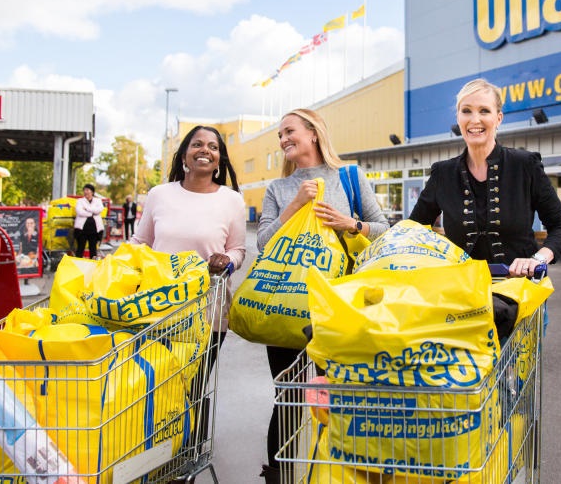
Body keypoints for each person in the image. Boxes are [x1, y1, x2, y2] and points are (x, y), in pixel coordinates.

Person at [255, 108, 389, 484]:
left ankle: (336, 473)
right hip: (287, 308)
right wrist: (295, 206)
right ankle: (278, 476)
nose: (283, 140)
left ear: (313, 133)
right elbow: (264, 245)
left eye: (289, 131)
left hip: (339, 307)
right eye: (279, 135)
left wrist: (351, 224)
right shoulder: (278, 189)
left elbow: (383, 230)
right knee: (290, 397)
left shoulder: (348, 177)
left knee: (338, 396)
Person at [409, 78, 561, 276]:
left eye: (484, 111)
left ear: (499, 118)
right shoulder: (442, 174)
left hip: (518, 288)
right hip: (460, 291)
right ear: (458, 118)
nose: (474, 120)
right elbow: (413, 230)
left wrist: (537, 259)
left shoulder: (524, 165)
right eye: (466, 110)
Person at [131, 125, 247, 342]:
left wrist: (226, 260)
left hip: (207, 311)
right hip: (156, 309)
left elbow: (238, 250)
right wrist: (112, 262)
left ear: (219, 160)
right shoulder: (159, 194)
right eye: (197, 144)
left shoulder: (232, 200)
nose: (205, 150)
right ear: (184, 156)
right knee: (156, 376)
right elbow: (140, 242)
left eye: (213, 147)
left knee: (197, 378)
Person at [73, 184, 104, 258]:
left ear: (92, 192)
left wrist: (87, 209)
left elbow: (99, 210)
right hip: (82, 229)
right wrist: (92, 213)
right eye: (84, 190)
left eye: (87, 190)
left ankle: (93, 264)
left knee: (93, 248)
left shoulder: (98, 201)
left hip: (94, 229)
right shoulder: (80, 201)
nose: (85, 192)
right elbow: (79, 211)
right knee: (80, 248)